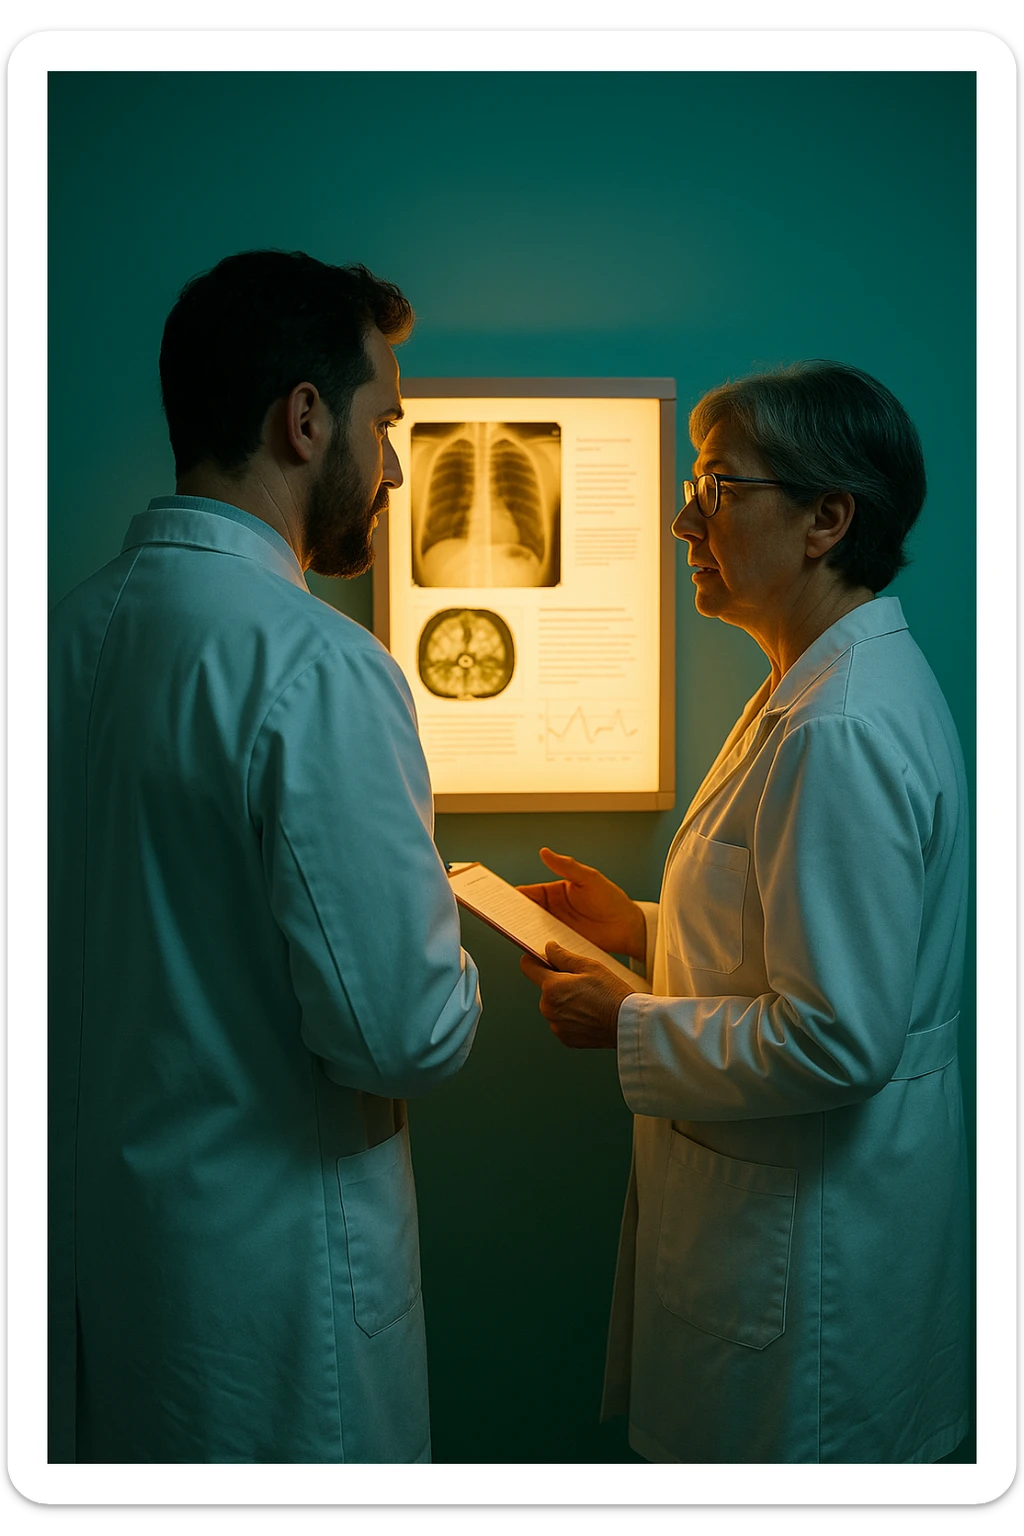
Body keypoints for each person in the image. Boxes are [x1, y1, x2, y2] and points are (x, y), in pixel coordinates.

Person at [48, 250, 482, 1464]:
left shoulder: (59, 643)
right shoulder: (319, 668)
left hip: (89, 1285)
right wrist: (450, 945)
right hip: (274, 1318)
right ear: (304, 418)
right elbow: (405, 1032)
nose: (392, 465)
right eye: (383, 421)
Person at [519, 361, 971, 1464]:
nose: (683, 520)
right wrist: (643, 927)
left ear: (826, 519)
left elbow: (835, 1034)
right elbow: (801, 941)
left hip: (807, 1272)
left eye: (716, 489)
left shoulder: (838, 729)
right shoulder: (810, 690)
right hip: (793, 1229)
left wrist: (627, 1016)